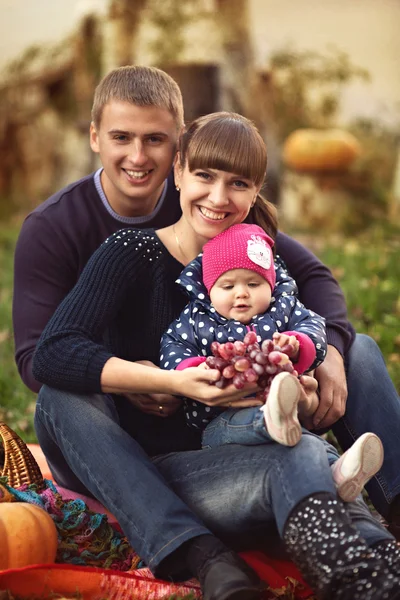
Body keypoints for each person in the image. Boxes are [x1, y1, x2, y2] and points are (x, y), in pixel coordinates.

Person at [32, 111, 400, 600]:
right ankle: (203, 557)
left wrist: (316, 363)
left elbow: (312, 306)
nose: (219, 198)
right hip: (157, 469)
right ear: (179, 170)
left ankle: (382, 544)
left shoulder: (262, 261)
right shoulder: (132, 252)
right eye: (204, 175)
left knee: (347, 372)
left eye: (238, 184)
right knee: (61, 395)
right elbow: (53, 352)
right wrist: (168, 382)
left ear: (256, 191)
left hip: (262, 448)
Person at [160, 222, 384, 503]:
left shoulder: (283, 308)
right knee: (283, 427)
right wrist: (192, 368)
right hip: (222, 421)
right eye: (227, 285)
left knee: (303, 439)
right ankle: (280, 423)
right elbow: (172, 347)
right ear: (208, 289)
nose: (241, 293)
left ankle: (340, 471)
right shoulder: (197, 319)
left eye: (253, 283)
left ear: (270, 284)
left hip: (290, 417)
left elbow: (314, 327)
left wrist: (296, 342)